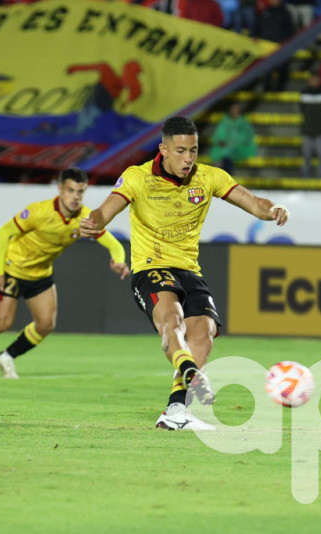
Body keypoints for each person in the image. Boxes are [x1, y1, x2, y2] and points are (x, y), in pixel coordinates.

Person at [79, 116, 290, 431]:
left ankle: (175, 411)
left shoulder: (209, 177)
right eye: (180, 151)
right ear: (163, 149)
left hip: (189, 270)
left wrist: (273, 209)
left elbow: (253, 202)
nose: (188, 158)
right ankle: (190, 371)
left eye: (193, 150)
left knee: (203, 333)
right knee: (172, 319)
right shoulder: (137, 178)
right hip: (151, 268)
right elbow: (105, 211)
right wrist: (93, 222)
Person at [0, 167, 130, 379]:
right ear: (60, 189)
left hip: (41, 274)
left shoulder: (84, 218)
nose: (76, 197)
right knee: (0, 324)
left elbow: (113, 244)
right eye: (71, 190)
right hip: (13, 270)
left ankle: (6, 357)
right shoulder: (39, 211)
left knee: (45, 324)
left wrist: (119, 261)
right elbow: (5, 232)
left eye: (80, 192)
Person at [299, 71, 321, 178]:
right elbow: (302, 110)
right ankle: (305, 178)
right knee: (306, 156)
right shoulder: (304, 93)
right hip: (308, 130)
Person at [255, 0, 296, 92]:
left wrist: (286, 43)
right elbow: (258, 27)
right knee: (267, 69)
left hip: (280, 46)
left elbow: (290, 30)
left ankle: (281, 88)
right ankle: (267, 88)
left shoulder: (285, 13)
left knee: (282, 69)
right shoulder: (264, 12)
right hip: (266, 47)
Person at [209, 102, 256, 175]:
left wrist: (232, 142)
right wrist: (221, 141)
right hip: (225, 147)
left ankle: (225, 173)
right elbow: (219, 134)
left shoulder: (243, 123)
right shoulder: (225, 121)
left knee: (226, 154)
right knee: (223, 153)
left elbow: (245, 137)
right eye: (232, 109)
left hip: (239, 147)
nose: (234, 111)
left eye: (236, 110)